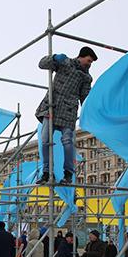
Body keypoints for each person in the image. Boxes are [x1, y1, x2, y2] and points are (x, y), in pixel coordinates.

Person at [35, 46, 97, 184]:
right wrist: (54, 57)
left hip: (68, 111)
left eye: (91, 63)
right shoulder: (65, 63)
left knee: (68, 142)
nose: (89, 64)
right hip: (51, 107)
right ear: (81, 56)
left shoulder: (86, 77)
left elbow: (85, 98)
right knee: (45, 140)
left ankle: (68, 174)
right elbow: (42, 64)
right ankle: (46, 173)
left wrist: (91, 112)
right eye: (88, 61)